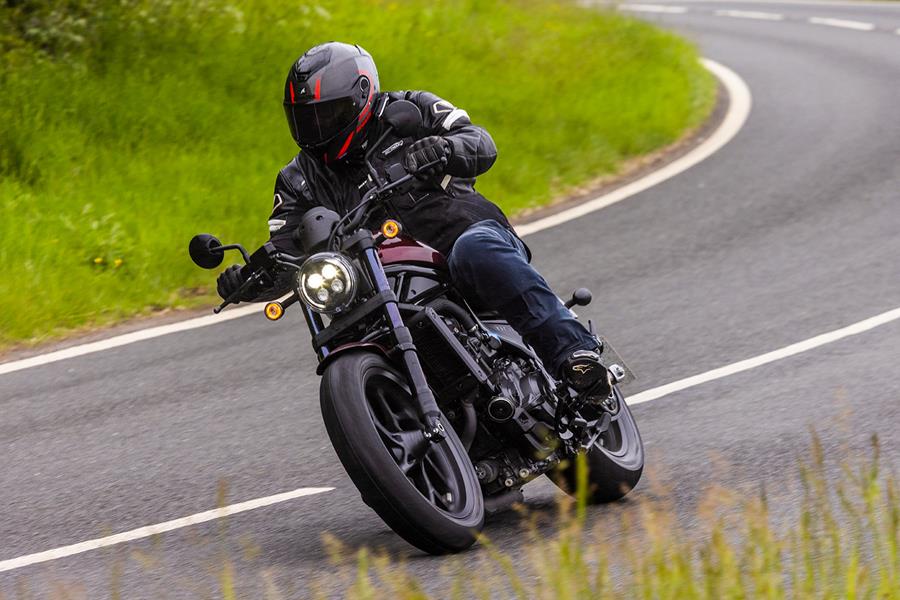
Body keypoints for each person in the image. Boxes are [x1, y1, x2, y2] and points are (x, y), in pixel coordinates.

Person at [217, 41, 612, 400]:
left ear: (361, 96)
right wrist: (250, 276)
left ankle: (574, 354)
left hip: (456, 237)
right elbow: (286, 244)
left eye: (328, 114)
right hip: (375, 283)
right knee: (348, 321)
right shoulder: (297, 178)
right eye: (306, 119)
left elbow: (480, 143)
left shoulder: (408, 111)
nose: (316, 129)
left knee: (476, 251)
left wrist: (443, 148)